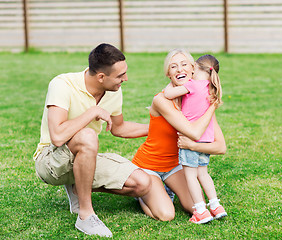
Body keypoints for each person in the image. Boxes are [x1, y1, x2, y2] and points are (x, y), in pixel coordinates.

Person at [33, 43, 151, 237]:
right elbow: (57, 137)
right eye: (120, 76)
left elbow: (119, 128)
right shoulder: (62, 84)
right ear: (101, 77)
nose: (126, 79)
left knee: (142, 184)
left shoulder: (113, 91)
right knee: (88, 135)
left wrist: (159, 130)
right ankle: (85, 216)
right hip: (50, 161)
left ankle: (77, 188)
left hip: (83, 155)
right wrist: (93, 112)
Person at [132, 49, 226, 222]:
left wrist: (194, 146)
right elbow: (194, 132)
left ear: (193, 69)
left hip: (174, 166)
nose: (179, 69)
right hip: (149, 165)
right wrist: (213, 106)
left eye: (184, 65)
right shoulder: (161, 100)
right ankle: (141, 194)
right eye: (173, 66)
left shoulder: (200, 102)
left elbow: (221, 147)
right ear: (168, 73)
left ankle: (163, 188)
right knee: (167, 215)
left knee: (197, 206)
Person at [163, 54, 227, 224]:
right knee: (203, 174)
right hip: (206, 140)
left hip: (190, 139)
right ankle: (215, 205)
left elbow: (168, 94)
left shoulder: (192, 84)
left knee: (190, 176)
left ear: (196, 68)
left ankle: (200, 210)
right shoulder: (211, 88)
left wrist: (171, 81)